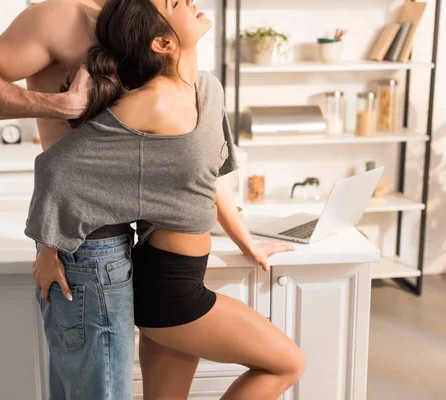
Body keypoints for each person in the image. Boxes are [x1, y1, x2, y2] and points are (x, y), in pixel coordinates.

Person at [25, 0, 306, 398]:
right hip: (171, 292)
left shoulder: (206, 87)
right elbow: (58, 168)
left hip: (176, 278)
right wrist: (48, 250)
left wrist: (247, 241)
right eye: (174, 3)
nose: (188, 2)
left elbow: (213, 177)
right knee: (288, 363)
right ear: (162, 43)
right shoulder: (153, 102)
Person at [0, 1, 137, 399]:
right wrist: (61, 104)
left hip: (126, 244)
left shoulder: (146, 16)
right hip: (88, 248)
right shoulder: (63, 16)